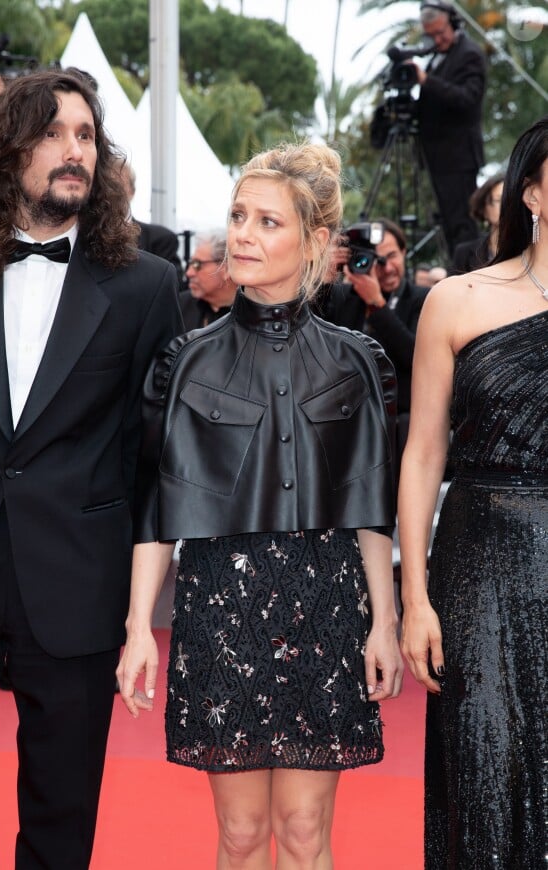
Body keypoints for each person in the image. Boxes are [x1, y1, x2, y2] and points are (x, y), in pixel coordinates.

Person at [117, 142, 404, 868]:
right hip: (222, 602)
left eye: (267, 221)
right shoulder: (185, 360)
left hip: (328, 600)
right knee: (242, 835)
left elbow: (369, 503)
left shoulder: (358, 361)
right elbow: (157, 499)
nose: (241, 234)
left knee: (306, 833)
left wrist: (385, 621)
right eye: (238, 216)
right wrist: (138, 629)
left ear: (314, 242)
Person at [0, 69, 183, 868]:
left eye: (87, 136)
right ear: (8, 150)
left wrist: (139, 614)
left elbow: (155, 460)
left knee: (61, 823)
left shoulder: (145, 289)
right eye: (54, 133)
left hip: (77, 587)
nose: (74, 152)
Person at [398, 116, 548, 868]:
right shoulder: (455, 301)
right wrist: (415, 598)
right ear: (533, 193)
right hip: (479, 568)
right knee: (485, 772)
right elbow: (424, 453)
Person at [316, 218, 428, 474]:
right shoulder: (345, 298)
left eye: (391, 256)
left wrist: (376, 304)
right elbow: (311, 336)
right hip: (346, 426)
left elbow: (415, 357)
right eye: (376, 260)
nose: (386, 267)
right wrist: (324, 275)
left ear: (404, 252)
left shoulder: (423, 299)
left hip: (400, 431)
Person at [413, 0, 487, 257]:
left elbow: (467, 99)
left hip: (458, 158)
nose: (436, 39)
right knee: (448, 225)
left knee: (463, 226)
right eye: (430, 35)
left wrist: (427, 81)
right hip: (438, 157)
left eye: (440, 33)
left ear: (454, 24)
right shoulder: (437, 58)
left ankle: (469, 277)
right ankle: (455, 275)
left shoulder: (469, 54)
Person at [118, 159, 184, 284]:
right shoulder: (82, 236)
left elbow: (172, 290)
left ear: (132, 191)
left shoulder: (161, 240)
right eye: (106, 184)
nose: (111, 191)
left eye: (118, 185)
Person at [180, 230, 237, 329]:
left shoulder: (256, 314)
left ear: (227, 268)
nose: (189, 273)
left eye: (197, 264)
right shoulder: (179, 306)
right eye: (191, 263)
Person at [451, 172, 505, 274]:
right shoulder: (464, 254)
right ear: (484, 209)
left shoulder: (532, 250)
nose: (506, 205)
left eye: (511, 199)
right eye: (500, 200)